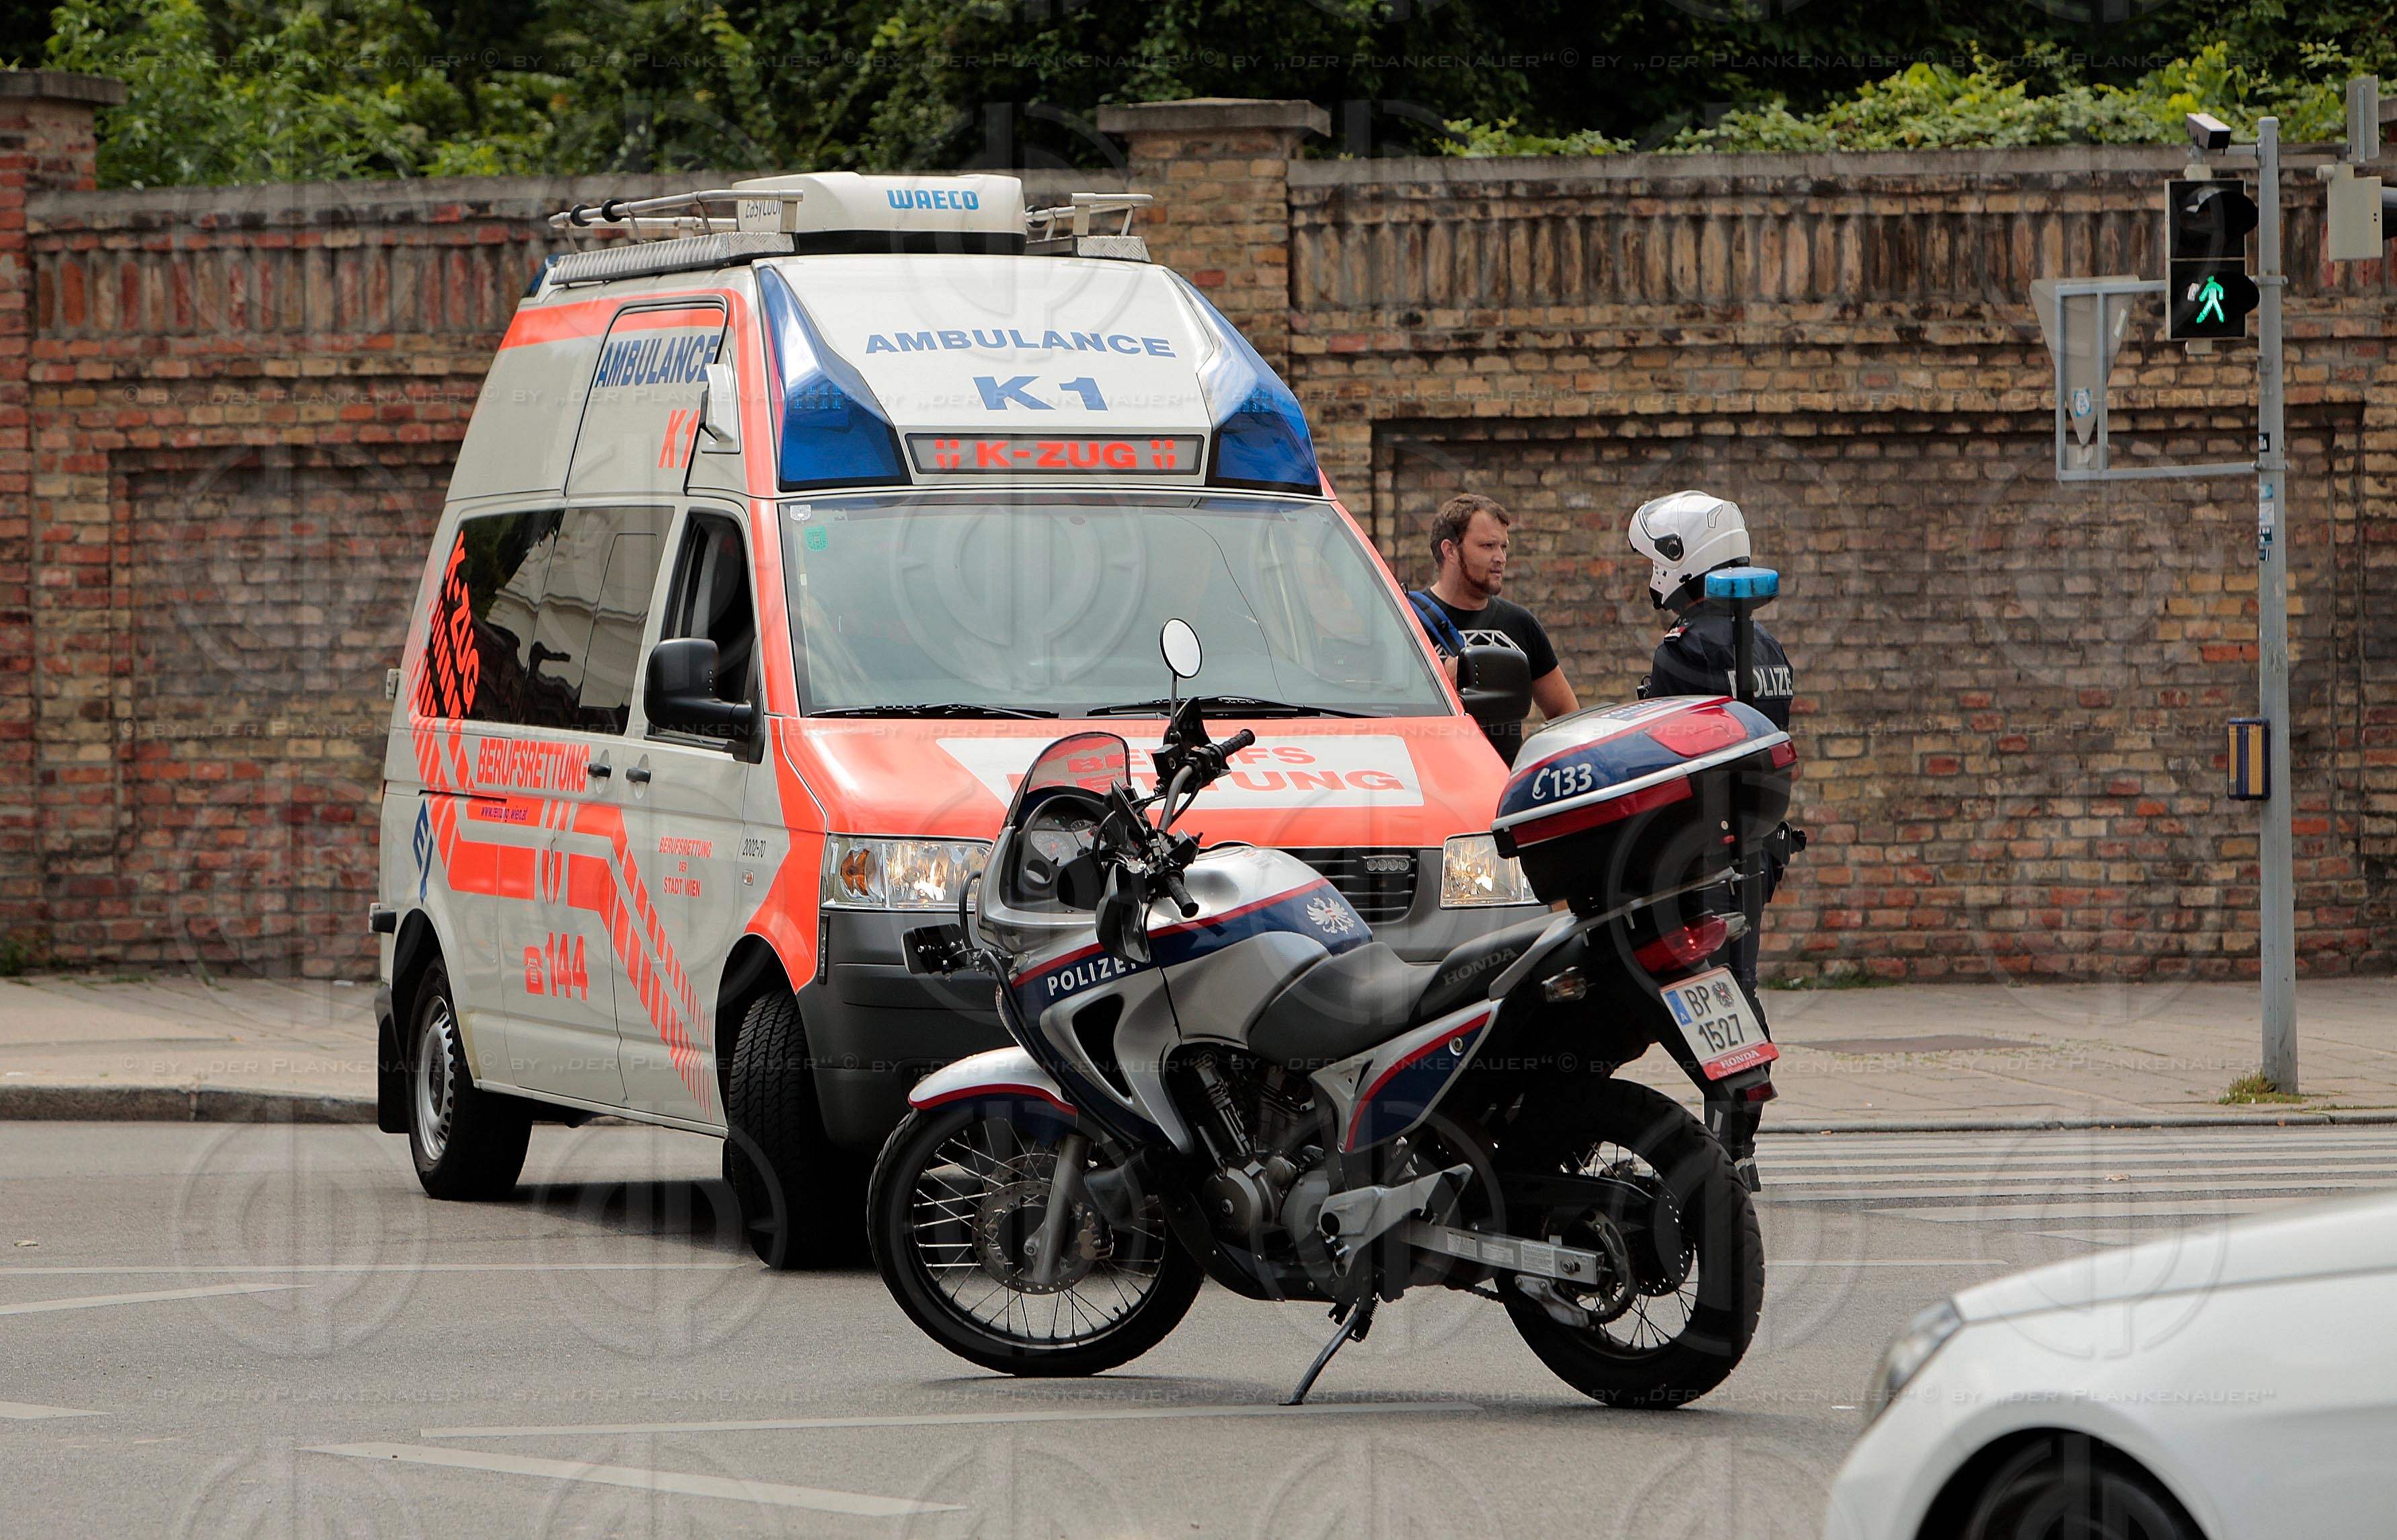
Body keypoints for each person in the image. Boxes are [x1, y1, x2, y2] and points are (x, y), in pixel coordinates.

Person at [1629, 489, 1801, 1191]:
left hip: (1699, 848)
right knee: (1739, 980)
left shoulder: (1684, 651)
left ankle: (1725, 1134)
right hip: (1757, 843)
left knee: (1695, 989)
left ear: (1680, 560)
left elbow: (1672, 752)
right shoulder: (1768, 646)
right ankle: (1740, 1143)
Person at [1406, 493, 1578, 766]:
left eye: (1503, 547)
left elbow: (1565, 714)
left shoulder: (1520, 623)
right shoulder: (1406, 622)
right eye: (1488, 546)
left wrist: (1536, 767)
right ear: (1450, 551)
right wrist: (1439, 684)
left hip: (1503, 786)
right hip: (1432, 781)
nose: (1500, 558)